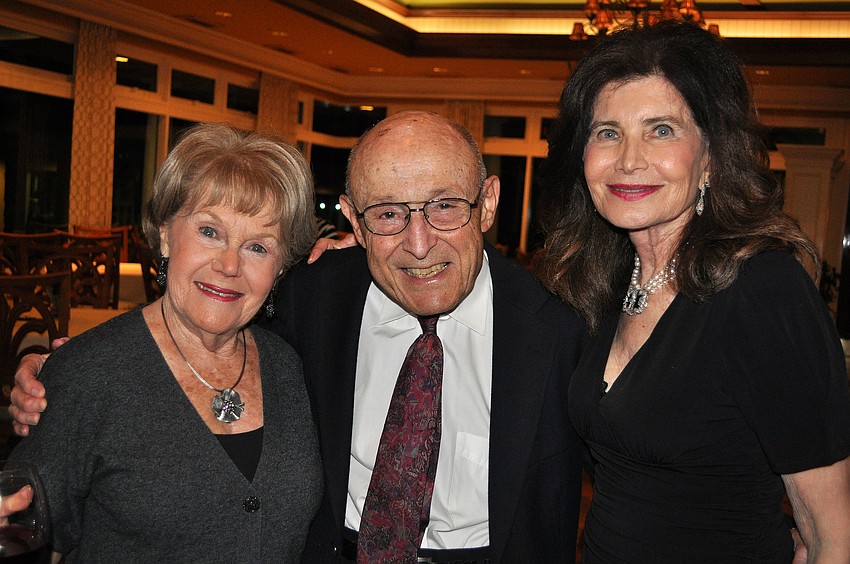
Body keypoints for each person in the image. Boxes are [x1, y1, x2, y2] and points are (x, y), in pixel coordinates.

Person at [11, 111, 586, 563]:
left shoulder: (565, 324)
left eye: (443, 207)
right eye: (386, 214)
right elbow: (34, 503)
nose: (418, 242)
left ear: (487, 203)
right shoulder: (317, 303)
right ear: (354, 223)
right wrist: (46, 370)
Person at [534, 21, 850, 563]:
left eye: (661, 130)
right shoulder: (600, 286)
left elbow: (831, 532)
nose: (629, 159)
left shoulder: (763, 291)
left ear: (710, 157)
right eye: (607, 132)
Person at [8, 123, 323, 562]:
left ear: (280, 268)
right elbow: (23, 530)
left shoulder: (289, 368)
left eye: (257, 247)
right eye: (209, 232)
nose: (229, 265)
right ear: (164, 234)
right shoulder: (87, 373)